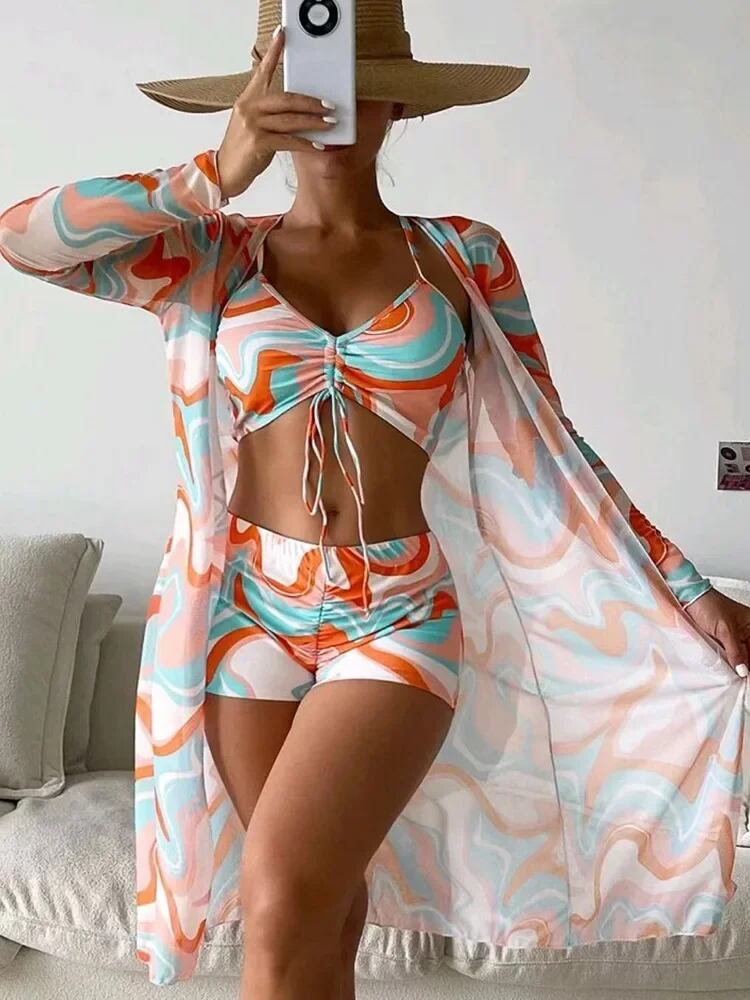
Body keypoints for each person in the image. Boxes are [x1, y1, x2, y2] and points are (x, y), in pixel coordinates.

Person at [2, 3, 749, 997]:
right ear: (263, 97)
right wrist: (213, 171)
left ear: (402, 104)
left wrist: (686, 586)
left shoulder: (463, 256)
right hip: (245, 617)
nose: (332, 113)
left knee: (280, 898)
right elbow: (24, 239)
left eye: (361, 91)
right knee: (321, 909)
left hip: (397, 613)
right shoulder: (211, 250)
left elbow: (553, 441)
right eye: (306, 89)